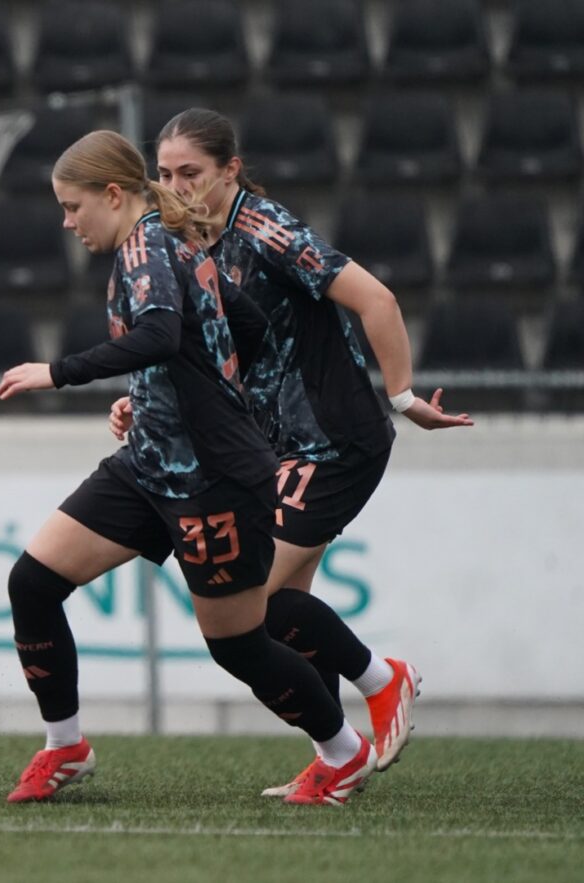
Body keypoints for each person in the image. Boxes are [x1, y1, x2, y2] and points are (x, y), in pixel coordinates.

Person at [0, 131, 373, 807]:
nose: (65, 220)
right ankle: (65, 746)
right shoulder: (175, 246)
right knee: (33, 580)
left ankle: (342, 753)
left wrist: (58, 371)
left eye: (72, 205)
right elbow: (248, 325)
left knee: (238, 645)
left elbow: (163, 334)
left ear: (113, 195)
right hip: (150, 465)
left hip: (214, 479)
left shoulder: (147, 246)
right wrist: (161, 397)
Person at [138, 108, 473, 797]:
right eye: (165, 174)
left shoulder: (264, 229)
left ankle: (385, 679)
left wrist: (404, 397)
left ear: (230, 170)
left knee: (250, 606)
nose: (175, 186)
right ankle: (338, 760)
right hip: (282, 449)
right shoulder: (188, 243)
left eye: (190, 173)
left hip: (337, 439)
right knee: (283, 614)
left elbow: (375, 298)